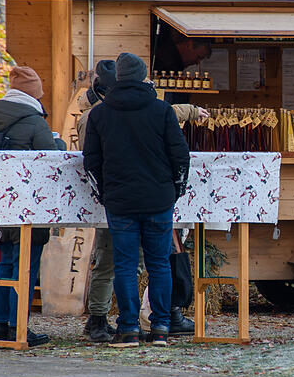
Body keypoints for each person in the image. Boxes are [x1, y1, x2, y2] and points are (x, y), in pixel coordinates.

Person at [77, 60, 206, 342]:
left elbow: (91, 162)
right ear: (144, 77)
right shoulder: (161, 110)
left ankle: (128, 328)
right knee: (159, 264)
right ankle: (160, 328)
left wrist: (103, 193)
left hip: (119, 201)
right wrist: (175, 189)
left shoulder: (100, 114)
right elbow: (180, 156)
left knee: (123, 266)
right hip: (158, 198)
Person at [0, 66, 59, 347]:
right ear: (33, 93)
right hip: (27, 204)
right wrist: (58, 140)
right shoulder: (34, 122)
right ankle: (18, 326)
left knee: (6, 263)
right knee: (26, 266)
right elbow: (52, 158)